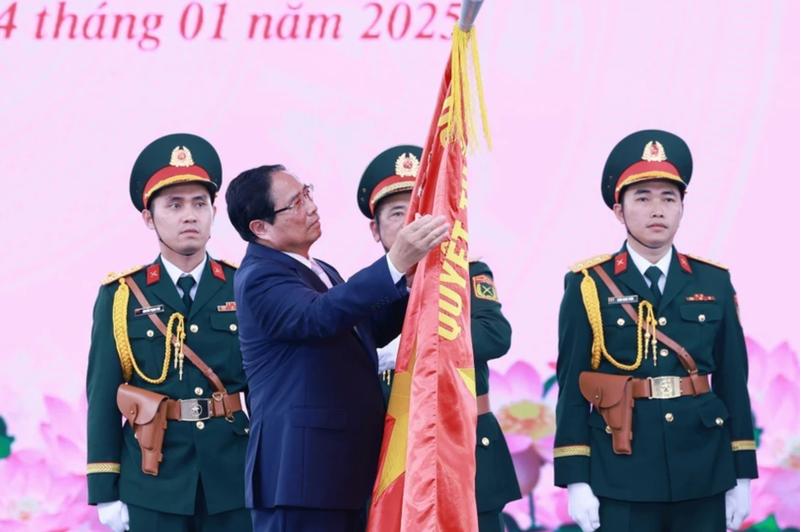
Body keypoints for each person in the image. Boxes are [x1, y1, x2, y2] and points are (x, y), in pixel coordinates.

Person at [225, 164, 450, 532]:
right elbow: (319, 317)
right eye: (296, 203)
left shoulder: (317, 268)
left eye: (308, 192)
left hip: (339, 470)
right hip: (301, 477)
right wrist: (394, 263)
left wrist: (409, 282)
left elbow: (362, 329)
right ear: (260, 228)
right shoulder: (259, 277)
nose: (311, 206)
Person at [553, 130, 757, 532]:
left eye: (668, 198)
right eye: (642, 198)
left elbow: (734, 381)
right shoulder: (589, 284)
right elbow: (573, 385)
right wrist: (575, 479)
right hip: (621, 470)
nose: (657, 209)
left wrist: (743, 475)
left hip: (704, 467)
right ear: (619, 211)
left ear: (682, 207)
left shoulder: (713, 281)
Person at [86, 133, 252, 532]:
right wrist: (104, 488)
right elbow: (103, 396)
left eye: (199, 204)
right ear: (149, 217)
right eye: (174, 205)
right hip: (153, 482)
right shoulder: (123, 295)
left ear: (214, 211)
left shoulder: (244, 285)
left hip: (232, 477)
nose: (189, 216)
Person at [356, 145, 522, 532]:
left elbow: (494, 334)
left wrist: (412, 349)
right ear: (375, 228)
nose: (410, 223)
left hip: (464, 447)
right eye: (397, 213)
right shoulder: (365, 289)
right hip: (395, 457)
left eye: (419, 209)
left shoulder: (468, 272)